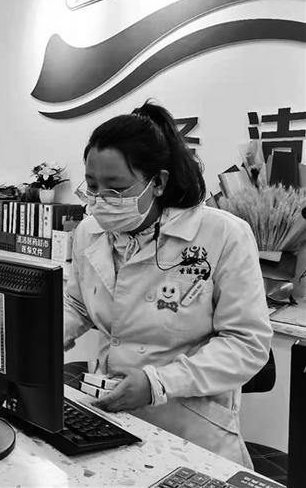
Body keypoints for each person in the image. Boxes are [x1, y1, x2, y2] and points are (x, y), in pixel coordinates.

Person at [64, 101, 272, 467]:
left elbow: (247, 343)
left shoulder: (222, 235)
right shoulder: (89, 232)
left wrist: (159, 383)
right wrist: (44, 334)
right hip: (109, 413)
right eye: (93, 187)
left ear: (158, 182)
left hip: (191, 426)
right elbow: (79, 303)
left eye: (116, 189)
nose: (100, 202)